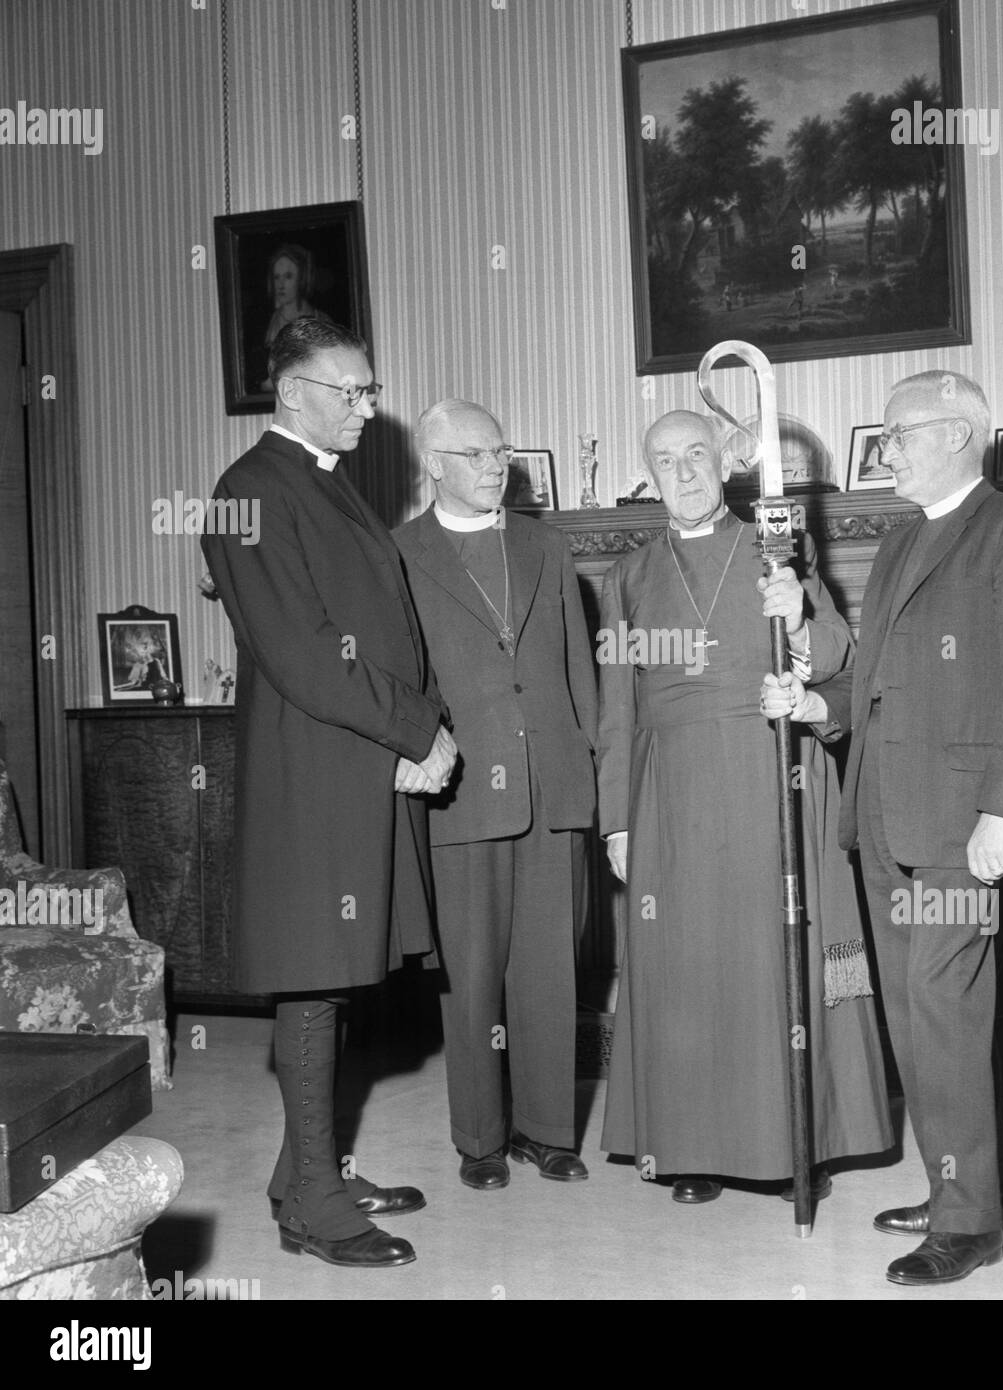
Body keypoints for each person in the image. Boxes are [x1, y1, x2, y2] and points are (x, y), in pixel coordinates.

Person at [762, 369, 1003, 1285]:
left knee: (944, 1011)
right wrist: (816, 702)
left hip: (958, 821)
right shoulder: (903, 541)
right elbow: (873, 683)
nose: (883, 448)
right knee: (916, 1013)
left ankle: (971, 1222)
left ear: (957, 435)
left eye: (898, 434)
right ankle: (967, 1181)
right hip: (885, 814)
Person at [202, 318, 457, 1269]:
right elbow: (307, 656)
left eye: (369, 391)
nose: (366, 407)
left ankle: (304, 1171)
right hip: (313, 769)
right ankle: (314, 1207)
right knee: (313, 982)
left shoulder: (320, 480)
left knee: (340, 976)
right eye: (347, 391)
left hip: (353, 763)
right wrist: (417, 728)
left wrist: (414, 725)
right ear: (290, 391)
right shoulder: (247, 492)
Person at [598, 410, 893, 1205]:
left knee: (779, 956)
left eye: (698, 454)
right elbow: (616, 706)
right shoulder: (628, 575)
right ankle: (692, 1147)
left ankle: (804, 1135)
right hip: (671, 789)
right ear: (649, 473)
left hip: (773, 773)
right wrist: (617, 820)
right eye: (666, 460)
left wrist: (796, 615)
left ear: (725, 463)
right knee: (688, 968)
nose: (684, 472)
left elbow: (840, 657)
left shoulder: (776, 550)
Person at [393, 400, 597, 1190]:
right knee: (471, 974)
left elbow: (579, 674)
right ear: (435, 463)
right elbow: (400, 680)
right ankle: (479, 1140)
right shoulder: (399, 553)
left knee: (550, 970)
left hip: (551, 788)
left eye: (501, 450)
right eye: (475, 453)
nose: (494, 465)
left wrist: (586, 782)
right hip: (461, 792)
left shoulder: (548, 545)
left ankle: (547, 1132)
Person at [257, 244, 333, 391]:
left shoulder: (322, 320)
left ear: (302, 279)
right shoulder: (266, 324)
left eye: (288, 276)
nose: (281, 284)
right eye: (276, 277)